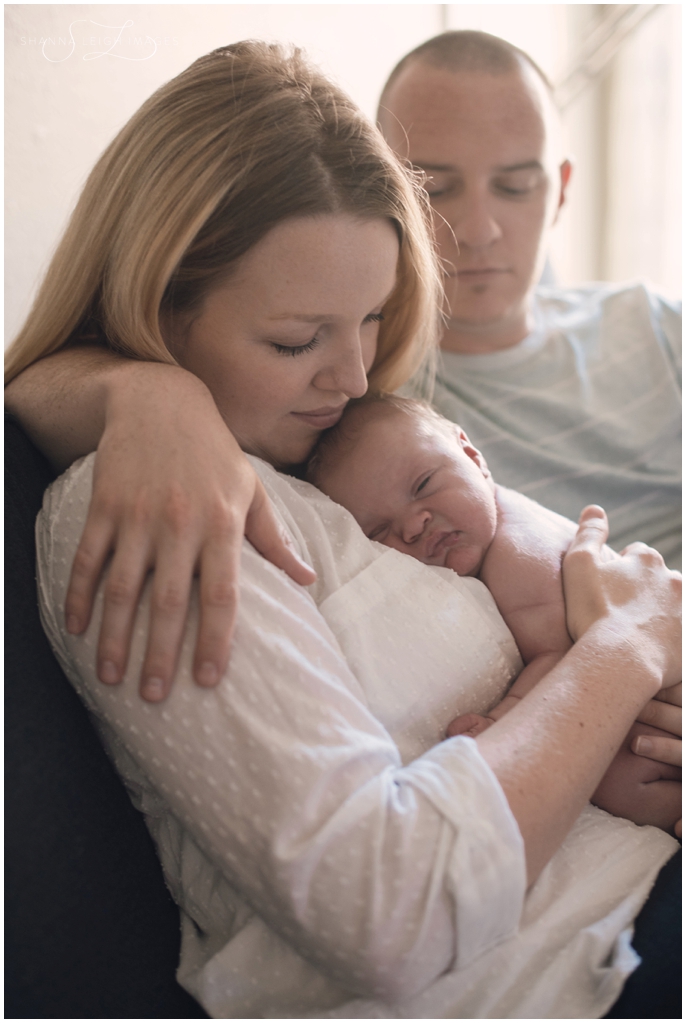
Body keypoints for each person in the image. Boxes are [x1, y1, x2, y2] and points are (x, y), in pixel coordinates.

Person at [5, 41, 681, 1018]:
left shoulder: (339, 447)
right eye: (296, 339)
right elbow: (388, 916)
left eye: (369, 319)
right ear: (159, 301)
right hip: (582, 966)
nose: (356, 375)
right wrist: (619, 656)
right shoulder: (162, 506)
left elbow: (607, 579)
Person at [306, 394, 681, 833]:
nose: (414, 524)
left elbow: (564, 657)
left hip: (653, 669)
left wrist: (502, 721)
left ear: (472, 455)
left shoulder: (517, 551)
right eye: (379, 531)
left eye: (424, 484)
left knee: (624, 780)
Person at [377, 30, 682, 570]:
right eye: (434, 189)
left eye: (515, 187)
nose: (477, 230)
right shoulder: (366, 397)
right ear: (383, 194)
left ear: (560, 191)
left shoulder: (655, 325)